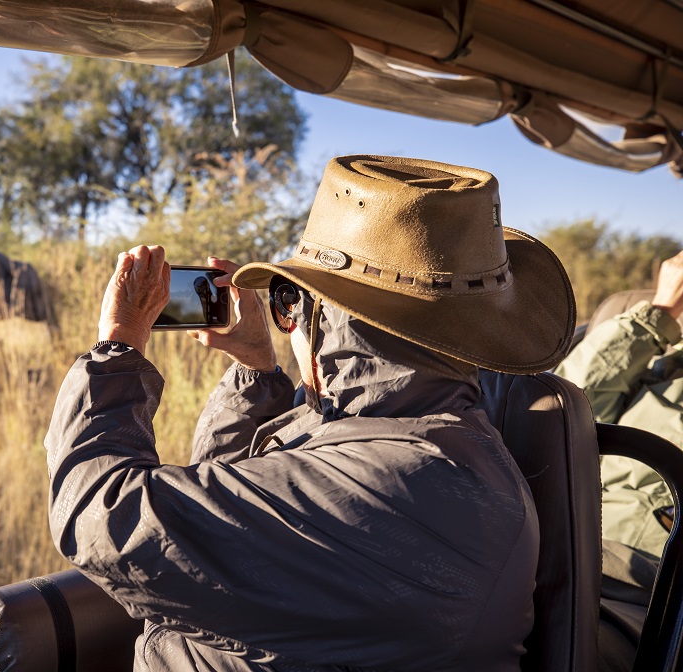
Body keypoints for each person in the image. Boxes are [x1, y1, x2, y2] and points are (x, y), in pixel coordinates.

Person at [44, 155, 576, 671]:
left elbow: (104, 518)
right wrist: (255, 367)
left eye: (289, 300)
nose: (287, 320)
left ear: (335, 325)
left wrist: (118, 348)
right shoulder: (419, 442)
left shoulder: (395, 479)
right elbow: (233, 507)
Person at [554, 250, 683, 558]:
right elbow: (564, 409)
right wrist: (661, 310)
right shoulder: (664, 356)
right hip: (574, 533)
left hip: (647, 566)